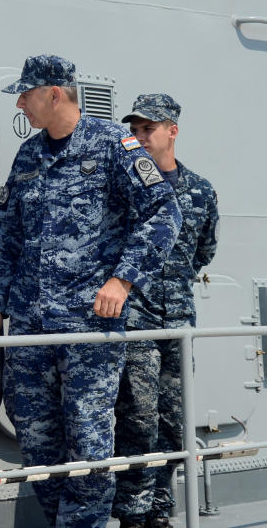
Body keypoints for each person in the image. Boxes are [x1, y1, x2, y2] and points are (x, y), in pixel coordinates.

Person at [0, 55, 182, 528]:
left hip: (90, 329)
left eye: (27, 95)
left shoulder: (115, 144)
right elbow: (7, 234)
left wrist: (123, 278)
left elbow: (163, 212)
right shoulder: (29, 155)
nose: (22, 104)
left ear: (54, 93)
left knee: (89, 441)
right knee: (36, 441)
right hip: (31, 329)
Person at [112, 94, 219, 528]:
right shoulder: (122, 188)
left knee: (174, 420)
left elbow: (204, 251)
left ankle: (160, 510)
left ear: (171, 130)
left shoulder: (200, 190)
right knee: (138, 418)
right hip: (134, 321)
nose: (139, 137)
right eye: (134, 130)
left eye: (147, 129)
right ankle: (133, 517)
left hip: (177, 322)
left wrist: (170, 286)